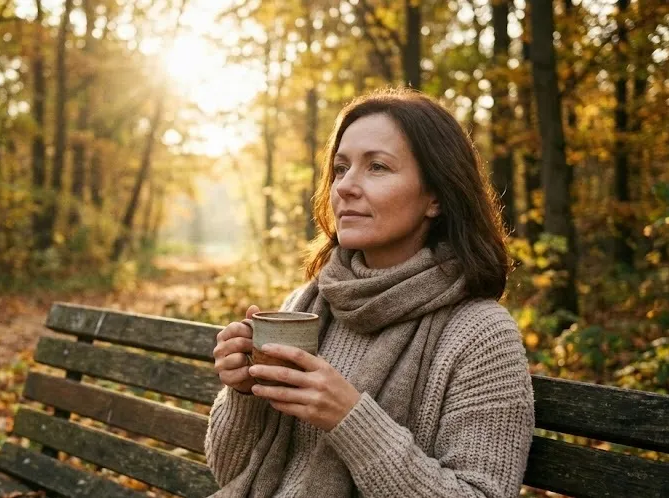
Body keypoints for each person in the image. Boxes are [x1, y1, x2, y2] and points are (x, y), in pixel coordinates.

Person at [205, 87, 535, 497]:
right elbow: (230, 474)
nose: (345, 187)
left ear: (435, 197)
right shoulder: (307, 305)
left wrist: (350, 419)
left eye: (376, 167)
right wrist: (244, 392)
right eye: (340, 169)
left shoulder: (481, 335)